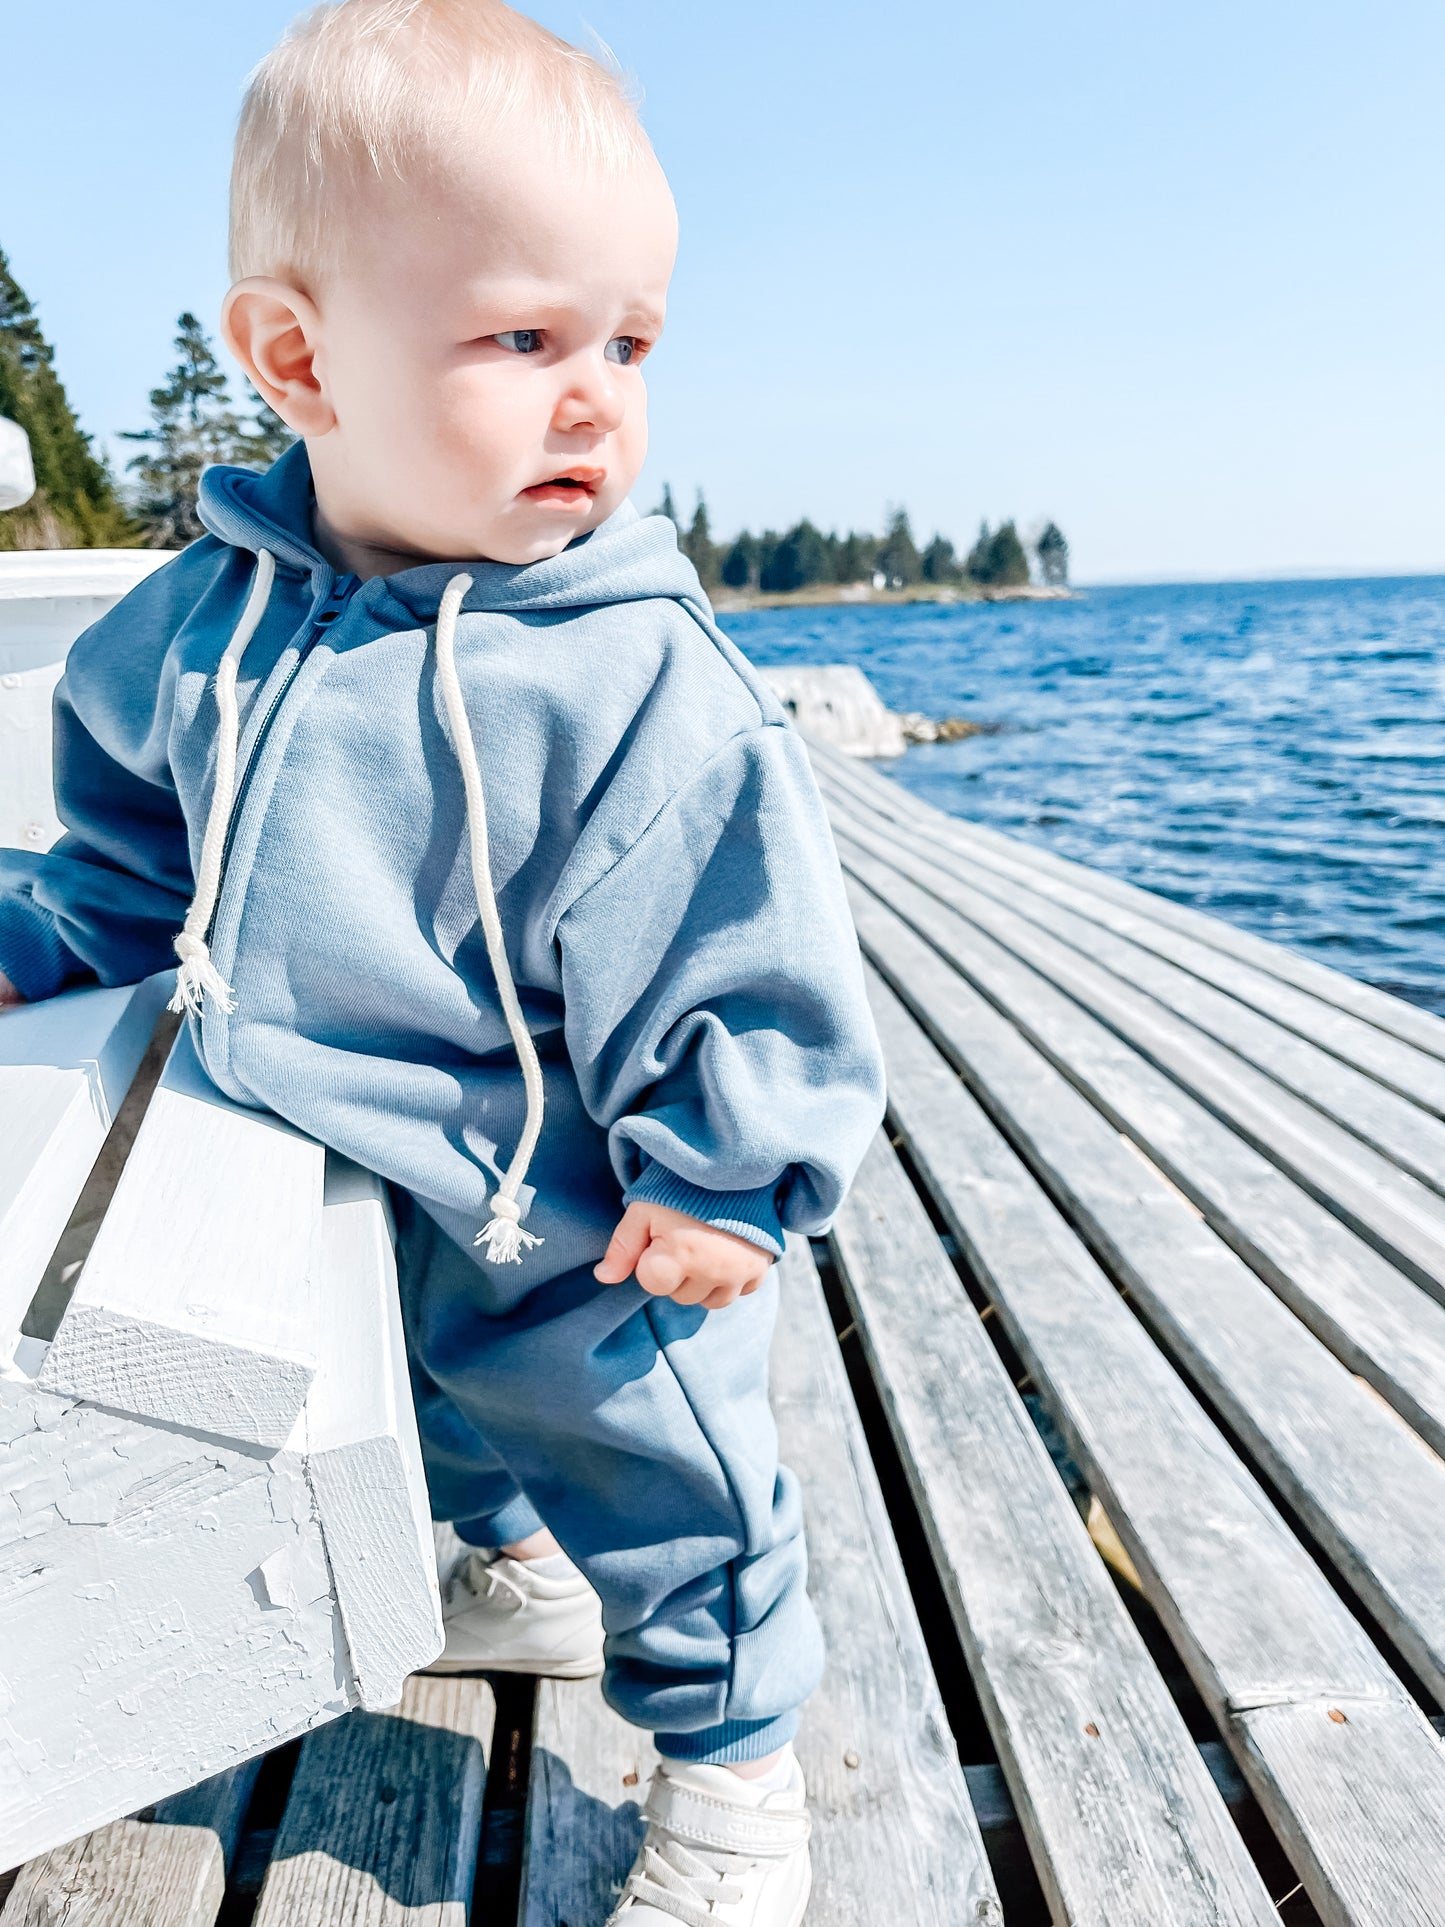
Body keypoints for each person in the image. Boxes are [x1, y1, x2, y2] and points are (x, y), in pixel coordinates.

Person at [0, 4, 884, 1920]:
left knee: (662, 1465)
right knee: (428, 1401)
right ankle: (513, 1570)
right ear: (298, 358)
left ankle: (733, 1775)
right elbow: (131, 843)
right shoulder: (199, 621)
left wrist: (724, 1167)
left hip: (564, 1197)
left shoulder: (633, 676)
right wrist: (53, 937)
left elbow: (739, 937)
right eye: (524, 339)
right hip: (326, 1149)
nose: (596, 400)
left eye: (628, 343)